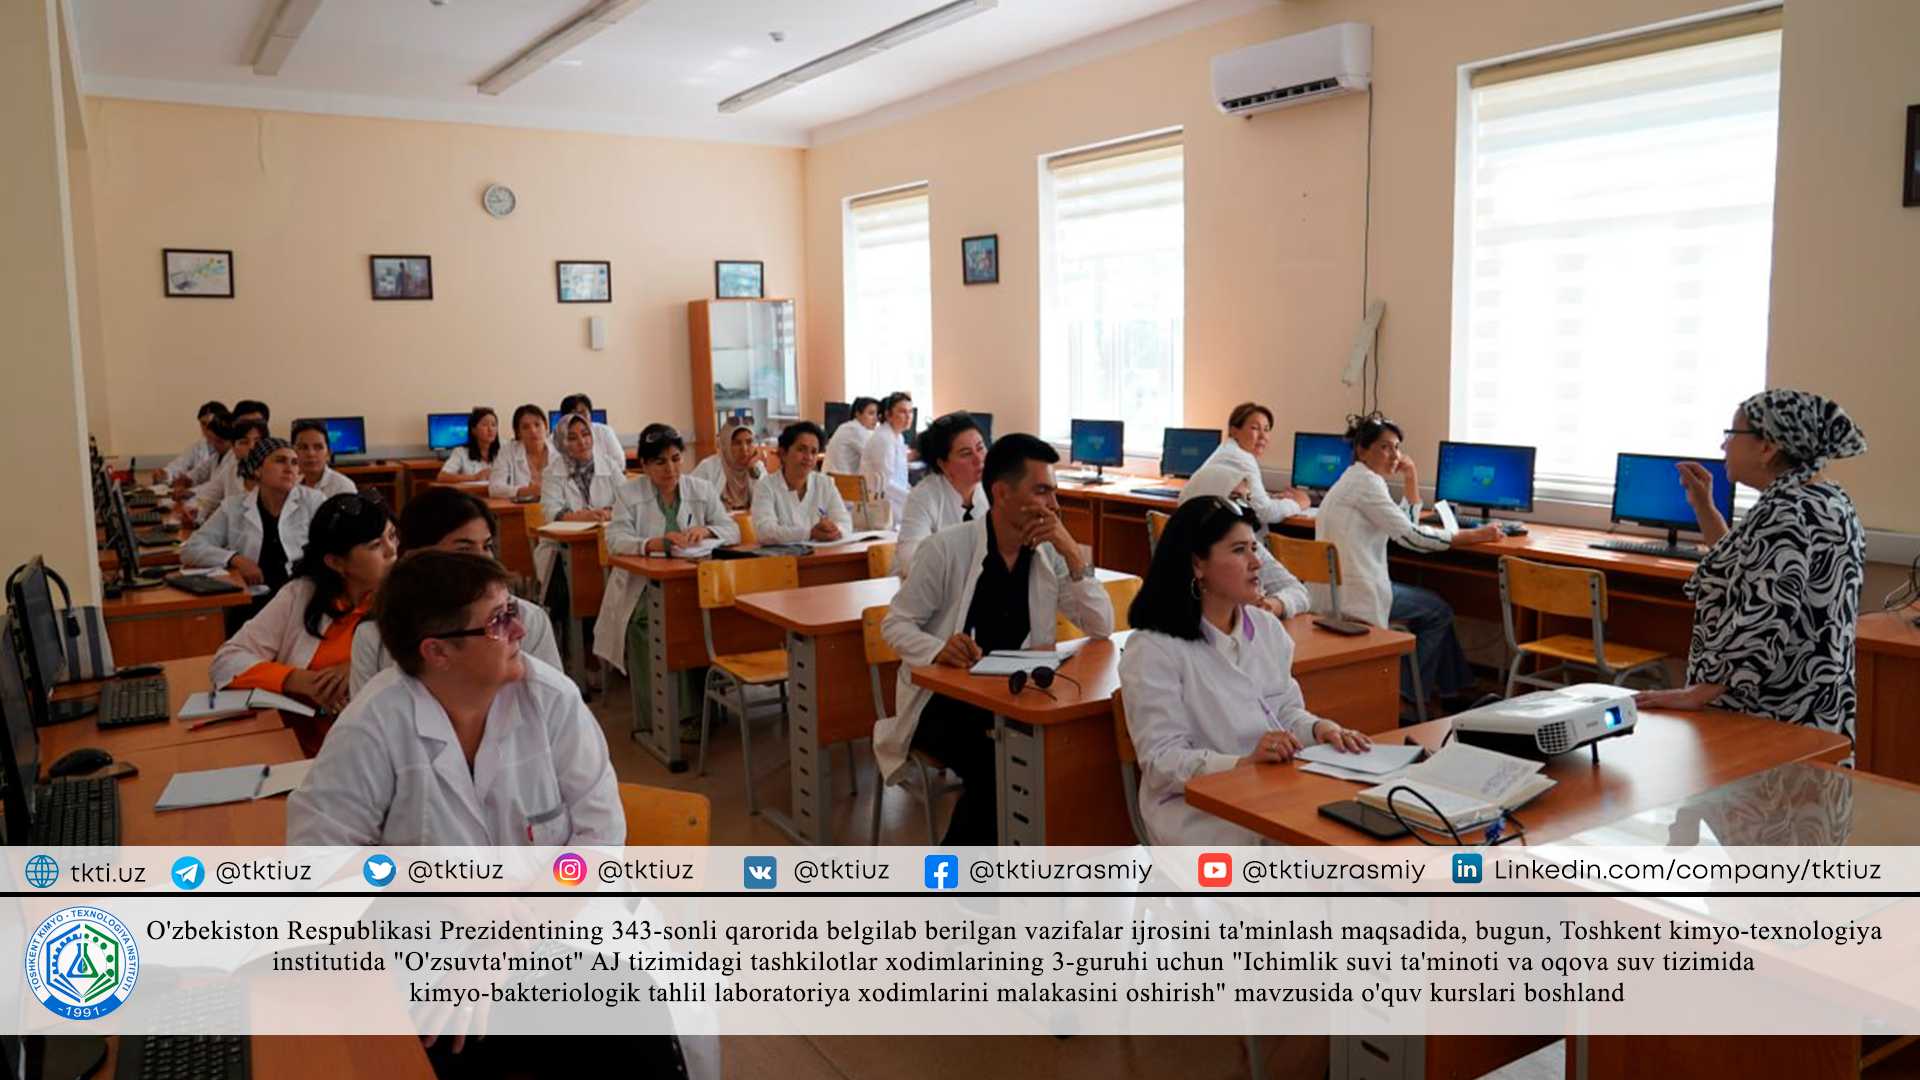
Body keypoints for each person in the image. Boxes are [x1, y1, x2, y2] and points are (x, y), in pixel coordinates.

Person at [288, 549, 621, 844]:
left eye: (512, 611)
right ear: (437, 652)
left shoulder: (553, 699)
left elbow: (600, 831)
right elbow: (322, 860)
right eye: (498, 621)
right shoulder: (370, 728)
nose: (520, 630)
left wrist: (555, 893)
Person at [879, 434, 1112, 844]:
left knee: (1069, 760)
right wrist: (939, 649)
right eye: (1042, 491)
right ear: (1001, 492)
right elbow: (895, 625)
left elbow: (1101, 625)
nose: (1054, 505)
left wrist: (1073, 553)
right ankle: (961, 891)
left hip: (1011, 697)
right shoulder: (947, 549)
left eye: (1054, 492)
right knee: (1001, 768)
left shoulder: (1046, 552)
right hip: (943, 703)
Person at [1119, 496, 1371, 845]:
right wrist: (1241, 763)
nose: (1256, 562)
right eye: (1239, 550)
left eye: (1255, 548)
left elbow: (1283, 710)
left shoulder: (1265, 628)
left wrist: (1319, 728)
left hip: (1265, 792)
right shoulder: (1152, 648)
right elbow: (1162, 762)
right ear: (1197, 564)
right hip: (1196, 813)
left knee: (1346, 836)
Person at [1635, 390, 1868, 755]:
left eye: (1733, 434)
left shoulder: (1786, 512)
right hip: (1816, 704)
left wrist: (1698, 694)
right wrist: (1704, 506)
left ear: (1768, 447)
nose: (1724, 444)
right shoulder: (1826, 499)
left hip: (1771, 711)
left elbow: (1767, 616)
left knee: (1765, 809)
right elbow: (1751, 568)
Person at [1315, 414, 1503, 713]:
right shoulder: (1366, 485)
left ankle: (1452, 693)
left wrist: (1411, 476)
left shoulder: (1354, 480)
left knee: (1435, 607)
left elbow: (1405, 525)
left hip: (1333, 592)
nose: (1394, 456)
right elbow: (1413, 538)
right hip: (1354, 597)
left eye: (1397, 448)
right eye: (1385, 448)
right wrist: (1472, 536)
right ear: (1362, 450)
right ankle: (1405, 695)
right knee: (1437, 611)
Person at [349, 488, 562, 695]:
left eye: (487, 546)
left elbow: (554, 708)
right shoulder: (373, 635)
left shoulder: (527, 619)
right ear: (415, 556)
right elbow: (367, 717)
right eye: (463, 550)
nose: (483, 560)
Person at [210, 493, 397, 712]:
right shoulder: (301, 595)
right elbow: (226, 661)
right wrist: (298, 680)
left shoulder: (409, 596)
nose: (392, 550)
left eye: (392, 536)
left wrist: (360, 667)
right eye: (375, 545)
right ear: (336, 562)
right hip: (295, 738)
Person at [593, 425, 739, 673]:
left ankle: (702, 703)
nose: (670, 469)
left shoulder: (701, 489)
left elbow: (732, 529)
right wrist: (654, 543)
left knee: (711, 621)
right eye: (660, 462)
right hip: (644, 587)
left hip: (694, 582)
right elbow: (615, 540)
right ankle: (660, 707)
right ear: (645, 464)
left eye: (676, 459)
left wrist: (706, 531)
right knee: (651, 622)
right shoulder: (628, 493)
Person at [181, 437, 324, 594]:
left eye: (295, 463)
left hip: (303, 595)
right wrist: (235, 559)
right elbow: (191, 549)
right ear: (258, 469)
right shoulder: (233, 507)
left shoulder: (314, 502)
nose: (289, 468)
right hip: (253, 597)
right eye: (280, 461)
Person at [1177, 462, 1311, 618]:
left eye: (1247, 499)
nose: (1244, 508)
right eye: (1235, 499)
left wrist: (1272, 605)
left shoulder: (1251, 546)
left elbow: (1298, 591)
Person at [896, 410, 988, 579]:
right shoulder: (924, 496)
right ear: (943, 464)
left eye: (980, 448)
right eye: (966, 454)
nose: (979, 459)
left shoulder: (994, 490)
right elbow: (909, 558)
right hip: (933, 594)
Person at [535, 413, 618, 599]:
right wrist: (584, 516)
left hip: (607, 541)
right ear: (561, 442)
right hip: (562, 550)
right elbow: (551, 512)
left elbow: (627, 502)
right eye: (572, 438)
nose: (582, 441)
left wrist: (607, 512)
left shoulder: (609, 465)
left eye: (585, 434)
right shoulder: (552, 472)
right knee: (575, 594)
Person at [1200, 402, 1314, 528]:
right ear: (1234, 431)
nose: (1263, 436)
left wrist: (1270, 497)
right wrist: (1299, 503)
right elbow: (1266, 513)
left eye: (1266, 429)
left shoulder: (1226, 451)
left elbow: (1243, 499)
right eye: (1255, 428)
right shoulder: (1241, 459)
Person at [751, 421, 852, 544]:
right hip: (782, 560)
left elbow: (845, 522)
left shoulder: (825, 483)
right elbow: (765, 532)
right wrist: (809, 533)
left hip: (820, 556)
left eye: (814, 452)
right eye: (801, 450)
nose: (808, 457)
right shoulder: (765, 486)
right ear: (783, 453)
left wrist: (835, 530)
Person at [185, 416, 270, 522]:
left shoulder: (277, 474)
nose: (252, 447)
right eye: (244, 442)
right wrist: (195, 509)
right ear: (233, 448)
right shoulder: (231, 470)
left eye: (258, 441)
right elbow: (208, 496)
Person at [859, 391, 914, 522]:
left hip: (895, 499)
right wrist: (912, 498)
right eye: (902, 412)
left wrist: (913, 493)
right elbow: (885, 484)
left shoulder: (898, 436)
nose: (908, 416)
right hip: (881, 504)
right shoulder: (883, 439)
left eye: (910, 412)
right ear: (888, 415)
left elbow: (901, 478)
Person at [690, 422, 764, 512]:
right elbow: (690, 503)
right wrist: (715, 507)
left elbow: (767, 503)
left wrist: (752, 470)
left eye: (749, 442)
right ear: (725, 445)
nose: (744, 449)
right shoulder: (708, 467)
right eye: (737, 443)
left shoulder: (757, 467)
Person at [154, 400, 227, 487]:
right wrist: (165, 474)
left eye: (211, 424)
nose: (207, 428)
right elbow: (180, 466)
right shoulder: (197, 448)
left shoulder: (231, 452)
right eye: (203, 423)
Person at [490, 404, 551, 501]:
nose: (533, 431)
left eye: (537, 424)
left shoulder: (560, 450)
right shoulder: (508, 451)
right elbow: (494, 488)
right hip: (522, 510)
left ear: (546, 427)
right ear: (518, 432)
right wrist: (527, 491)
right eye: (526, 427)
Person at [290, 418, 359, 499]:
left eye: (318, 447)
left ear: (328, 453)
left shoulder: (343, 487)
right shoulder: (291, 484)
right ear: (293, 452)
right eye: (303, 447)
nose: (311, 453)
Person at [557, 392, 625, 471]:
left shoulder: (604, 431)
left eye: (582, 412)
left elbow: (620, 463)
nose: (579, 418)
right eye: (573, 414)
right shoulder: (558, 437)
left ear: (590, 413)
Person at [438, 406, 500, 480]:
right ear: (473, 430)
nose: (490, 429)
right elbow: (442, 476)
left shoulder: (504, 449)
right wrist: (474, 477)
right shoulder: (461, 452)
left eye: (493, 425)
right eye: (485, 425)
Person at [825, 396, 880, 476]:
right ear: (858, 414)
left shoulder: (848, 426)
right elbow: (876, 458)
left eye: (877, 414)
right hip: (841, 482)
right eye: (871, 413)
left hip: (835, 479)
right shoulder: (855, 430)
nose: (876, 419)